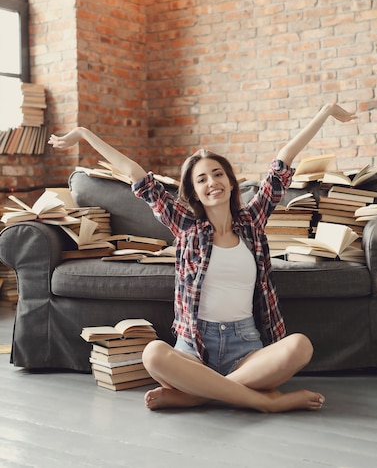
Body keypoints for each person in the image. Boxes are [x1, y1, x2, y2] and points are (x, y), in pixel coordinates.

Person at [49, 102, 357, 413]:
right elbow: (137, 176)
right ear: (194, 192)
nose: (212, 183)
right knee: (153, 354)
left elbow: (283, 161)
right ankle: (264, 402)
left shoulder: (251, 222)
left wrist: (326, 111)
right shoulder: (185, 225)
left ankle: (199, 394)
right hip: (193, 350)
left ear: (231, 181)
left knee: (300, 346)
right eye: (202, 179)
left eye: (218, 174)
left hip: (246, 347)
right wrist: (85, 134)